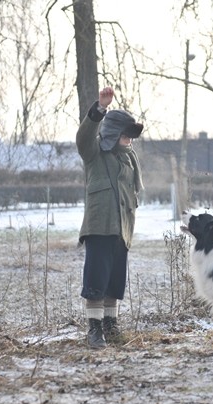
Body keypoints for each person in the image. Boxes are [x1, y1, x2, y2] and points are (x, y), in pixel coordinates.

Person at [76, 86, 144, 349]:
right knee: (96, 281)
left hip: (122, 229)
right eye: (126, 136)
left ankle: (110, 326)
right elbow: (84, 138)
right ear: (114, 134)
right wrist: (99, 110)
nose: (129, 141)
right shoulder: (94, 154)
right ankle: (94, 330)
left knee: (115, 283)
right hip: (100, 226)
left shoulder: (129, 159)